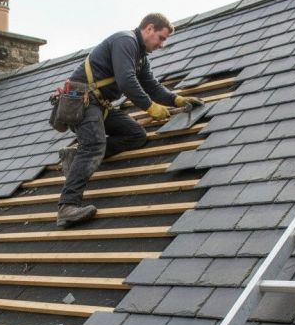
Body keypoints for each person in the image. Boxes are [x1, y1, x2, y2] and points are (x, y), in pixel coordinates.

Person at [56, 13, 203, 228]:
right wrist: (150, 107)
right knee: (94, 144)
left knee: (136, 135)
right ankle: (67, 206)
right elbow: (126, 81)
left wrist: (176, 99)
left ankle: (76, 156)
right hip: (83, 101)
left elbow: (151, 86)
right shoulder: (125, 41)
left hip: (100, 105)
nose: (162, 45)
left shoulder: (140, 57)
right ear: (149, 28)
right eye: (161, 38)